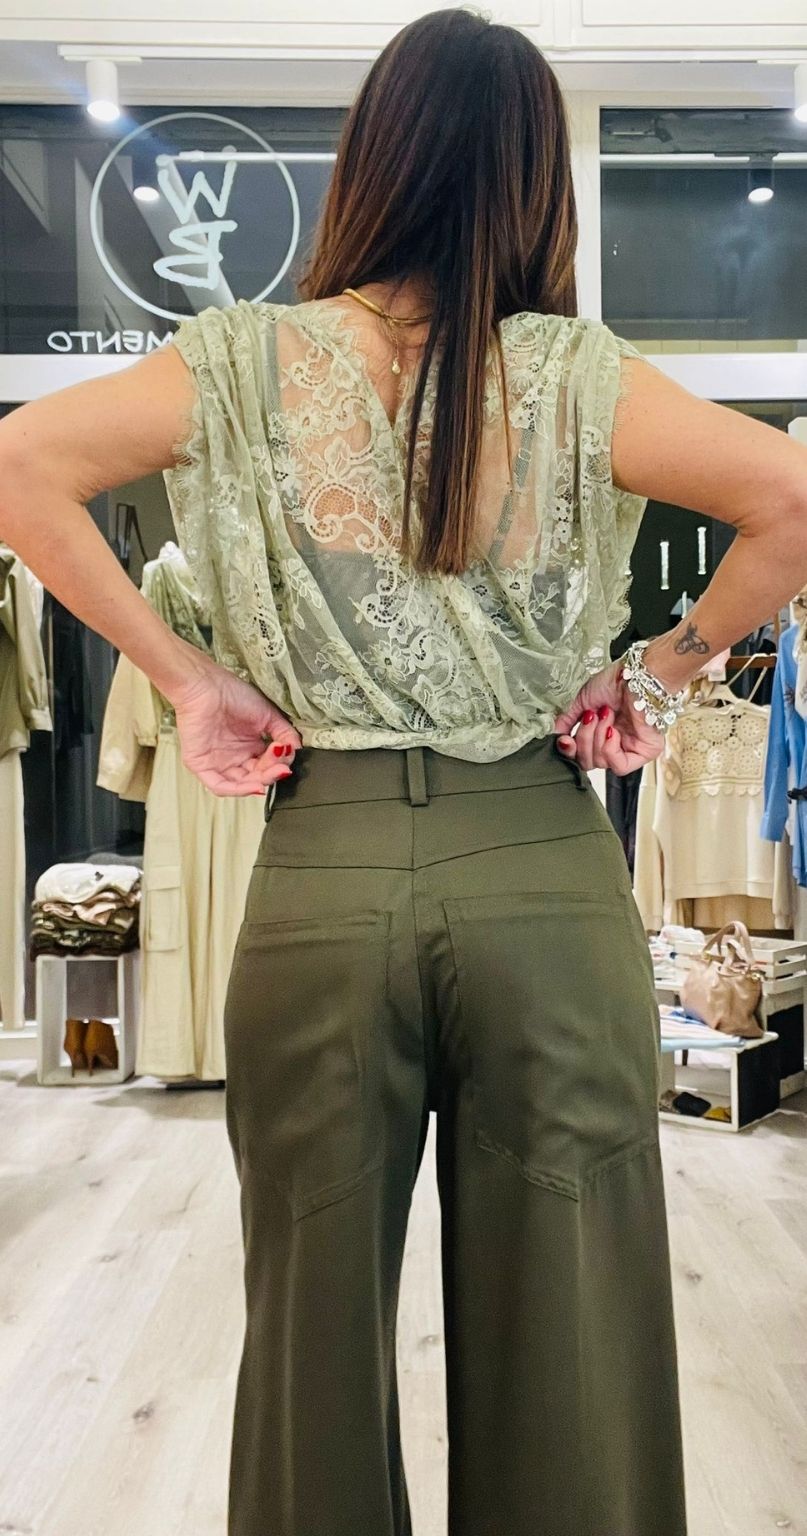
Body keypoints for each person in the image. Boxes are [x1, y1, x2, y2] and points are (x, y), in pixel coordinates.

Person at [2, 9, 807, 1534]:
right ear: (535, 183)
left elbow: (20, 460)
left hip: (327, 874)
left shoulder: (239, 362)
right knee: (575, 1343)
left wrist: (188, 678)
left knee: (306, 1341)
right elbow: (793, 497)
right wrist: (662, 666)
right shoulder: (575, 377)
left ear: (370, 164)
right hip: (539, 870)